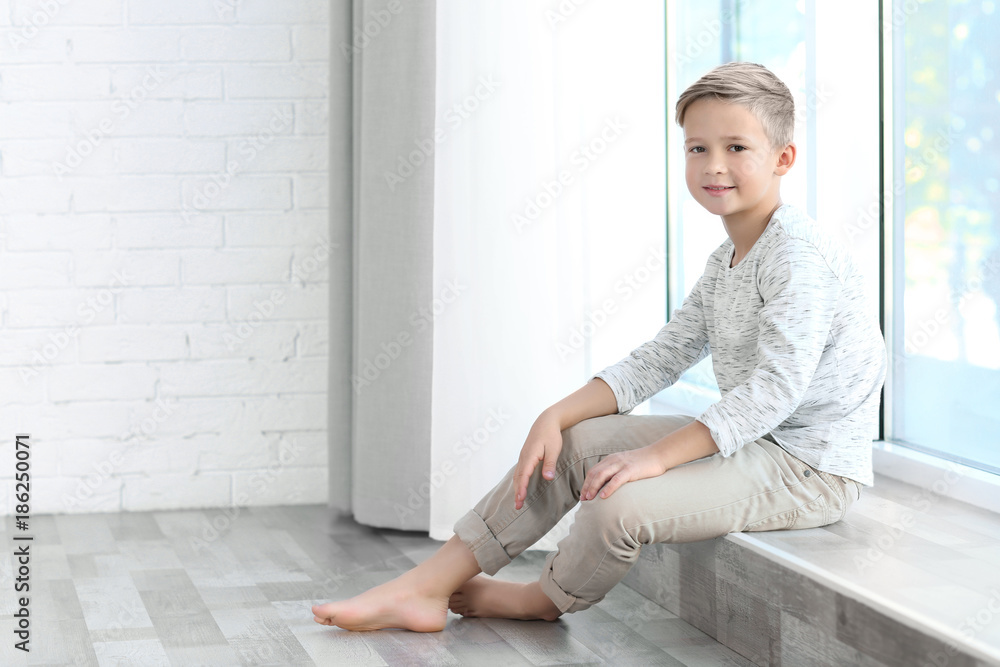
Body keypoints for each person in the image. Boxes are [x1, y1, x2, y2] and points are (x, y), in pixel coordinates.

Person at [311, 61, 888, 632]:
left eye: (737, 148)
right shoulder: (726, 262)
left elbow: (774, 391)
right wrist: (554, 415)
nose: (714, 166)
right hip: (755, 444)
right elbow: (661, 357)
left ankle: (543, 598)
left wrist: (653, 458)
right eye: (697, 148)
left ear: (783, 158)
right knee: (570, 446)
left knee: (618, 504)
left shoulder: (797, 257)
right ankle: (424, 586)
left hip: (808, 467)